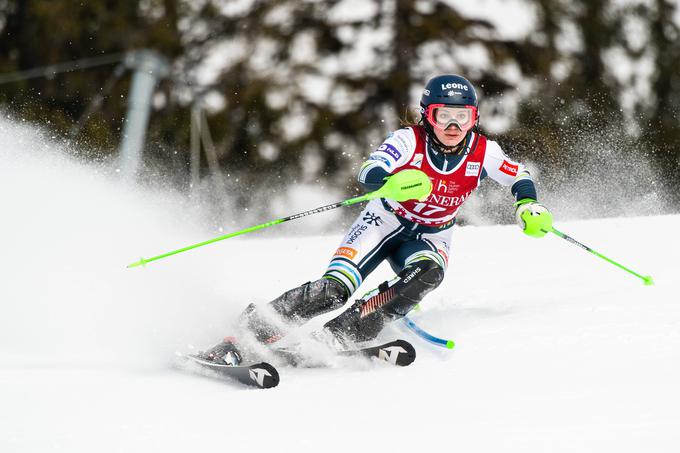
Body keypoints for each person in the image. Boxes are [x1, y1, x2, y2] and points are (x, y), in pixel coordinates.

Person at [200, 74, 553, 365]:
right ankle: (243, 334)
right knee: (335, 289)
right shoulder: (408, 141)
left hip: (431, 235)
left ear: (474, 118)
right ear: (427, 115)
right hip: (384, 223)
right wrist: (390, 181)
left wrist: (528, 205)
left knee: (428, 274)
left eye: (462, 116)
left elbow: (518, 176)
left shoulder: (483, 151)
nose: (452, 125)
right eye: (443, 115)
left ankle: (339, 335)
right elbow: (371, 171)